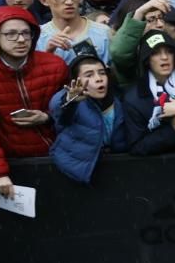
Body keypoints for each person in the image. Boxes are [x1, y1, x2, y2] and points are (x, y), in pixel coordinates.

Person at [0, 6, 67, 200]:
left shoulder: (54, 65)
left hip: (56, 156)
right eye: (11, 34)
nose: (21, 40)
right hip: (12, 161)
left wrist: (48, 117)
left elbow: (69, 109)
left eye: (25, 33)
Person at [50, 54, 131, 183]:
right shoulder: (68, 100)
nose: (99, 79)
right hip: (77, 170)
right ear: (76, 80)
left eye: (102, 73)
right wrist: (70, 101)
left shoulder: (119, 99)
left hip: (117, 169)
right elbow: (60, 115)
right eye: (89, 75)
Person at [36, 0, 113, 65]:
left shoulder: (103, 33)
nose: (69, 2)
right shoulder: (37, 37)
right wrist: (48, 54)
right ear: (44, 0)